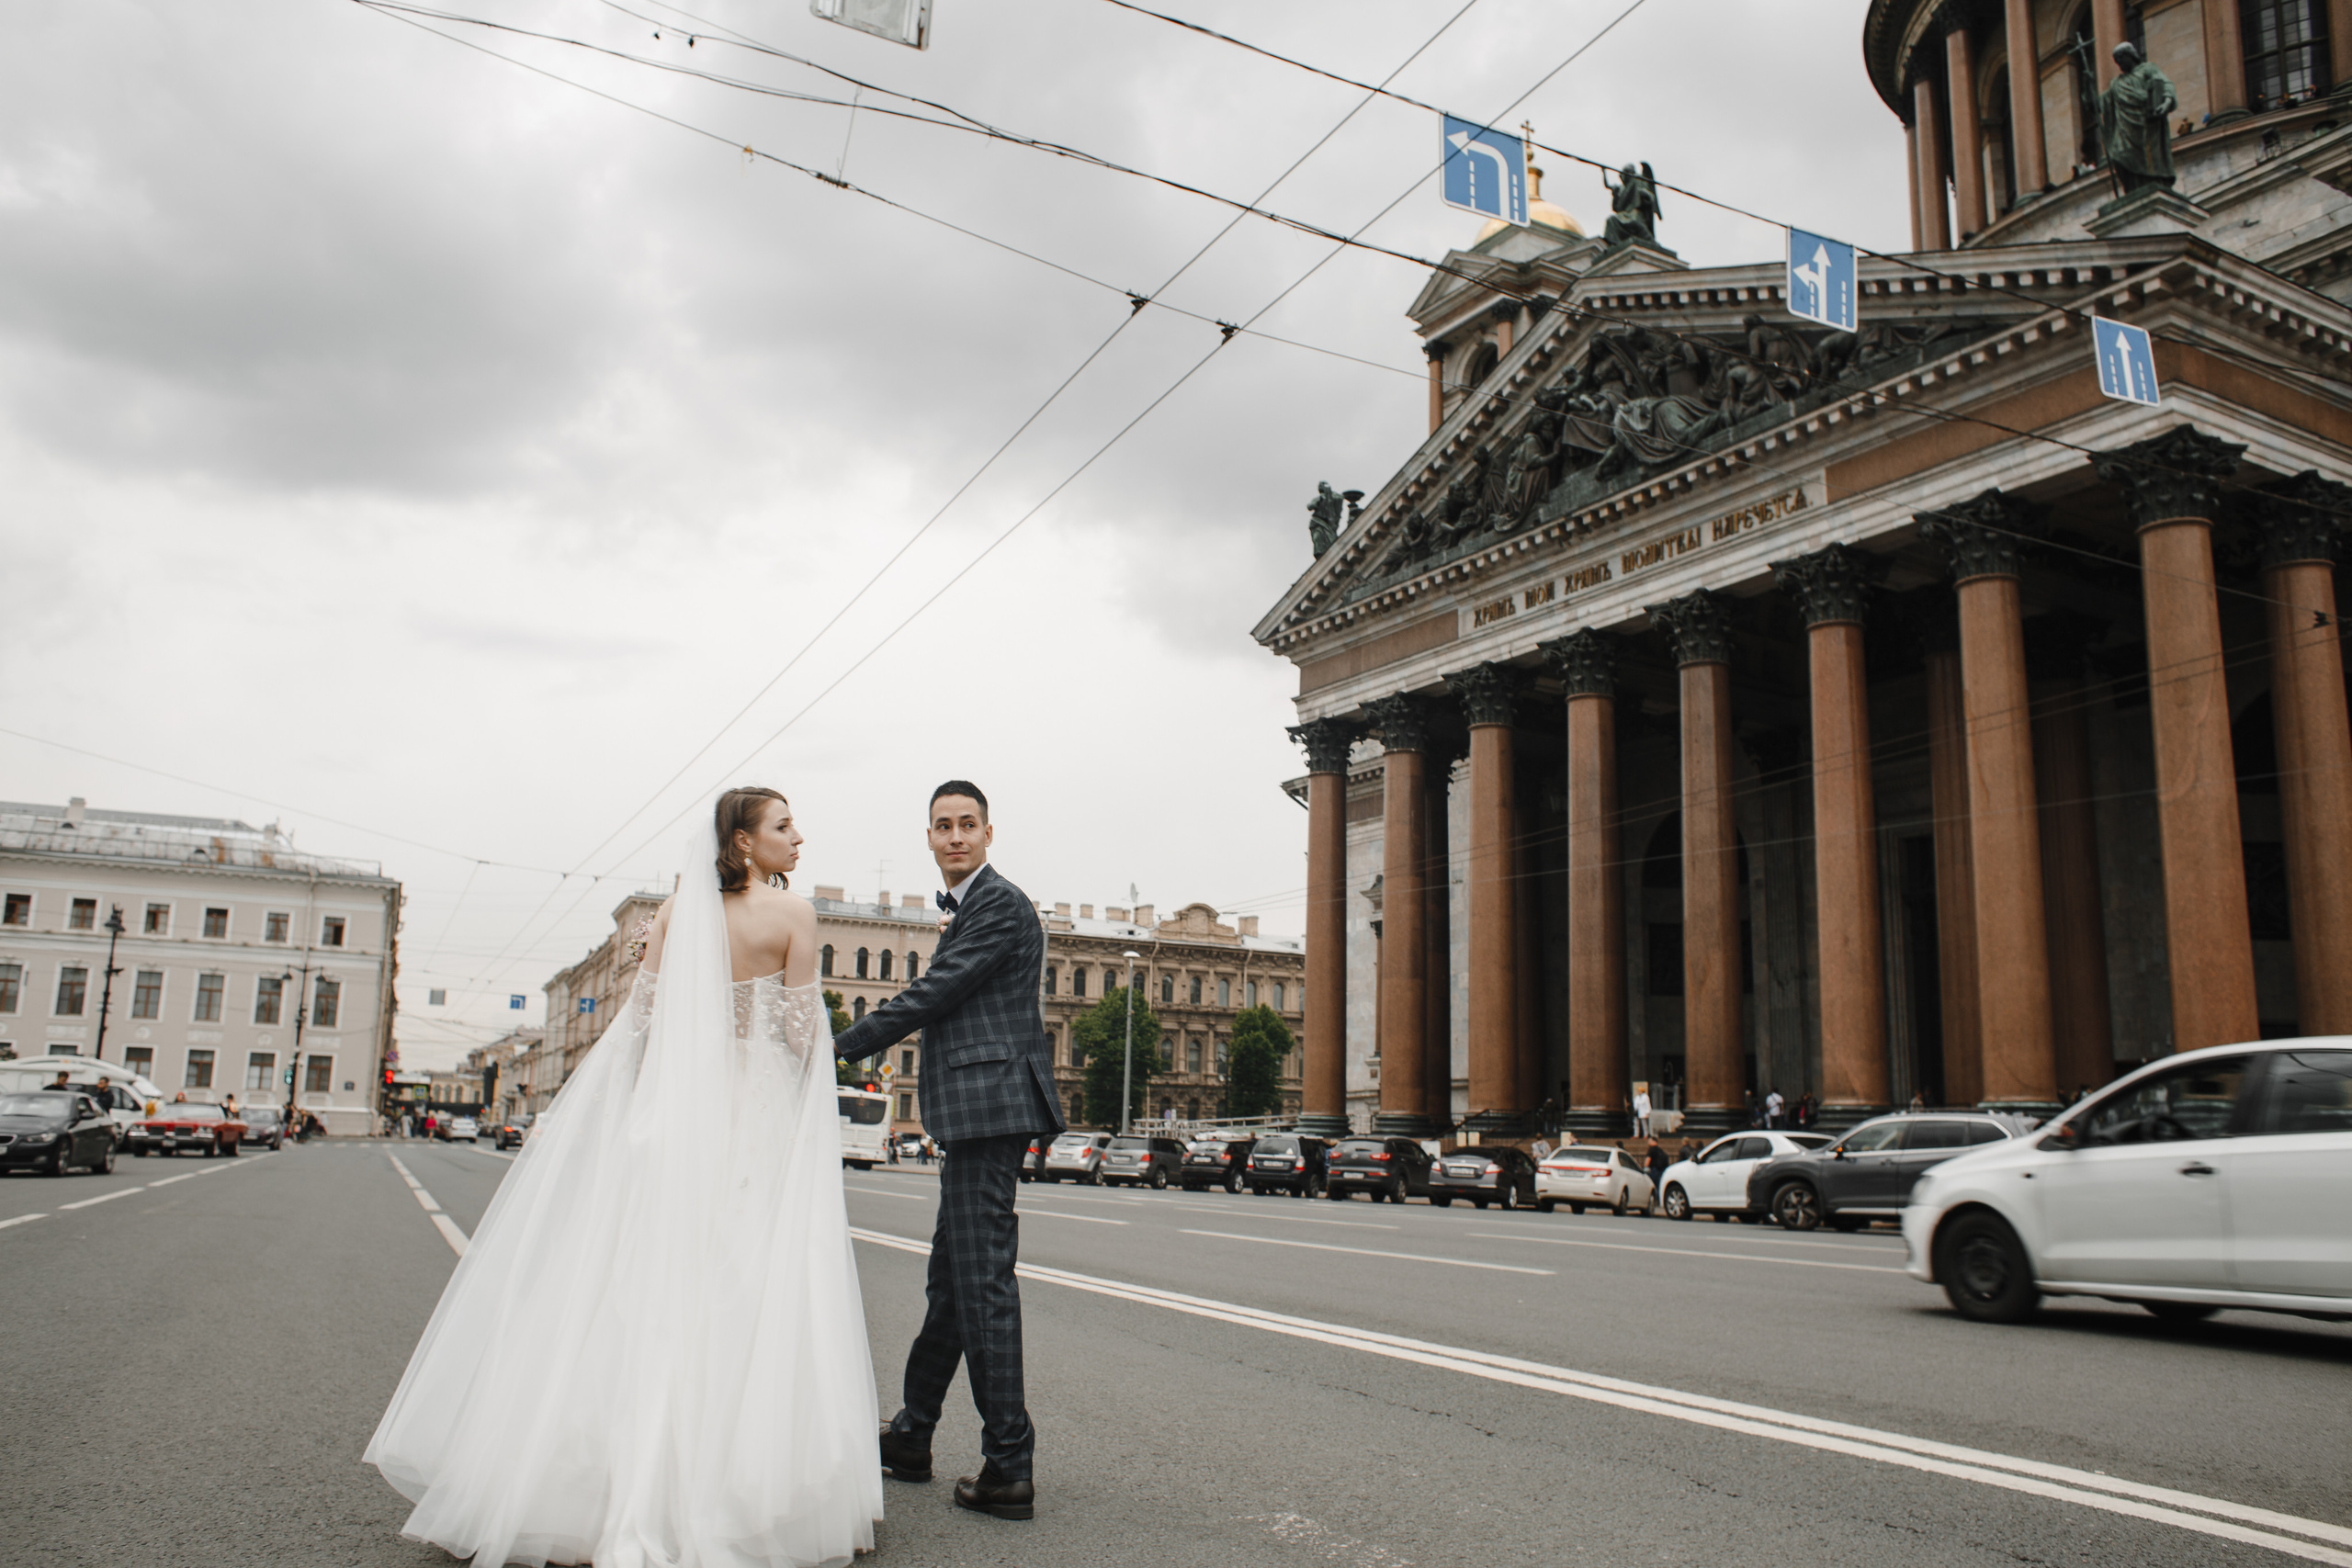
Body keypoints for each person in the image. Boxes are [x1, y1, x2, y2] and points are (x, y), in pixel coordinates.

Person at [366, 786, 883, 1565]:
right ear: (744, 842)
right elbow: (803, 1031)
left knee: (646, 1278)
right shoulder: (794, 914)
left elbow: (637, 1025)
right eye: (784, 825)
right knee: (746, 1278)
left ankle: (599, 1480)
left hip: (675, 1110)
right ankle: (739, 1483)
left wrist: (624, 1110)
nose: (798, 836)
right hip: (755, 1109)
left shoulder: (676, 912)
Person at [833, 781, 1063, 1523]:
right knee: (953, 1281)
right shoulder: (972, 905)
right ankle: (912, 1434)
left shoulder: (997, 903)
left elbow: (934, 992)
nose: (956, 835)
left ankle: (1009, 1463)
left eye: (968, 823)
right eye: (943, 825)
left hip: (989, 1107)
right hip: (978, 1107)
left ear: (989, 833)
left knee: (982, 1281)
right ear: (929, 836)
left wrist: (836, 1048)